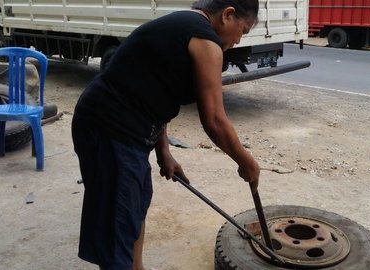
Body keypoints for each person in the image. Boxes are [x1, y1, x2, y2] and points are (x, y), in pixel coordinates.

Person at [71, 0, 260, 269]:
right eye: (244, 30)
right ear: (228, 15)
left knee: (135, 206)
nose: (240, 39)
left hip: (123, 128)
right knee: (119, 222)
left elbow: (155, 93)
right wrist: (246, 161)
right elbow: (215, 120)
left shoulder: (181, 25)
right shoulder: (206, 41)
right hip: (110, 129)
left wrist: (164, 152)